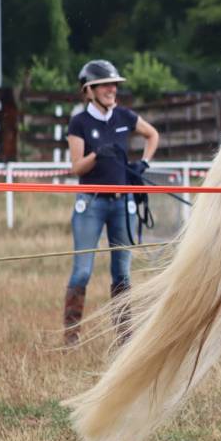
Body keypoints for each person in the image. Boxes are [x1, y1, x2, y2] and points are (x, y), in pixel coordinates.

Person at [63, 60, 159, 346]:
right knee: (82, 271)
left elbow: (152, 135)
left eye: (114, 84)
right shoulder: (79, 122)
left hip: (123, 203)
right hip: (91, 203)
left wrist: (143, 163)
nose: (112, 89)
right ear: (89, 90)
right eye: (106, 84)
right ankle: (71, 335)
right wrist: (97, 156)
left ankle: (124, 335)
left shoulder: (125, 116)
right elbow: (77, 168)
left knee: (122, 272)